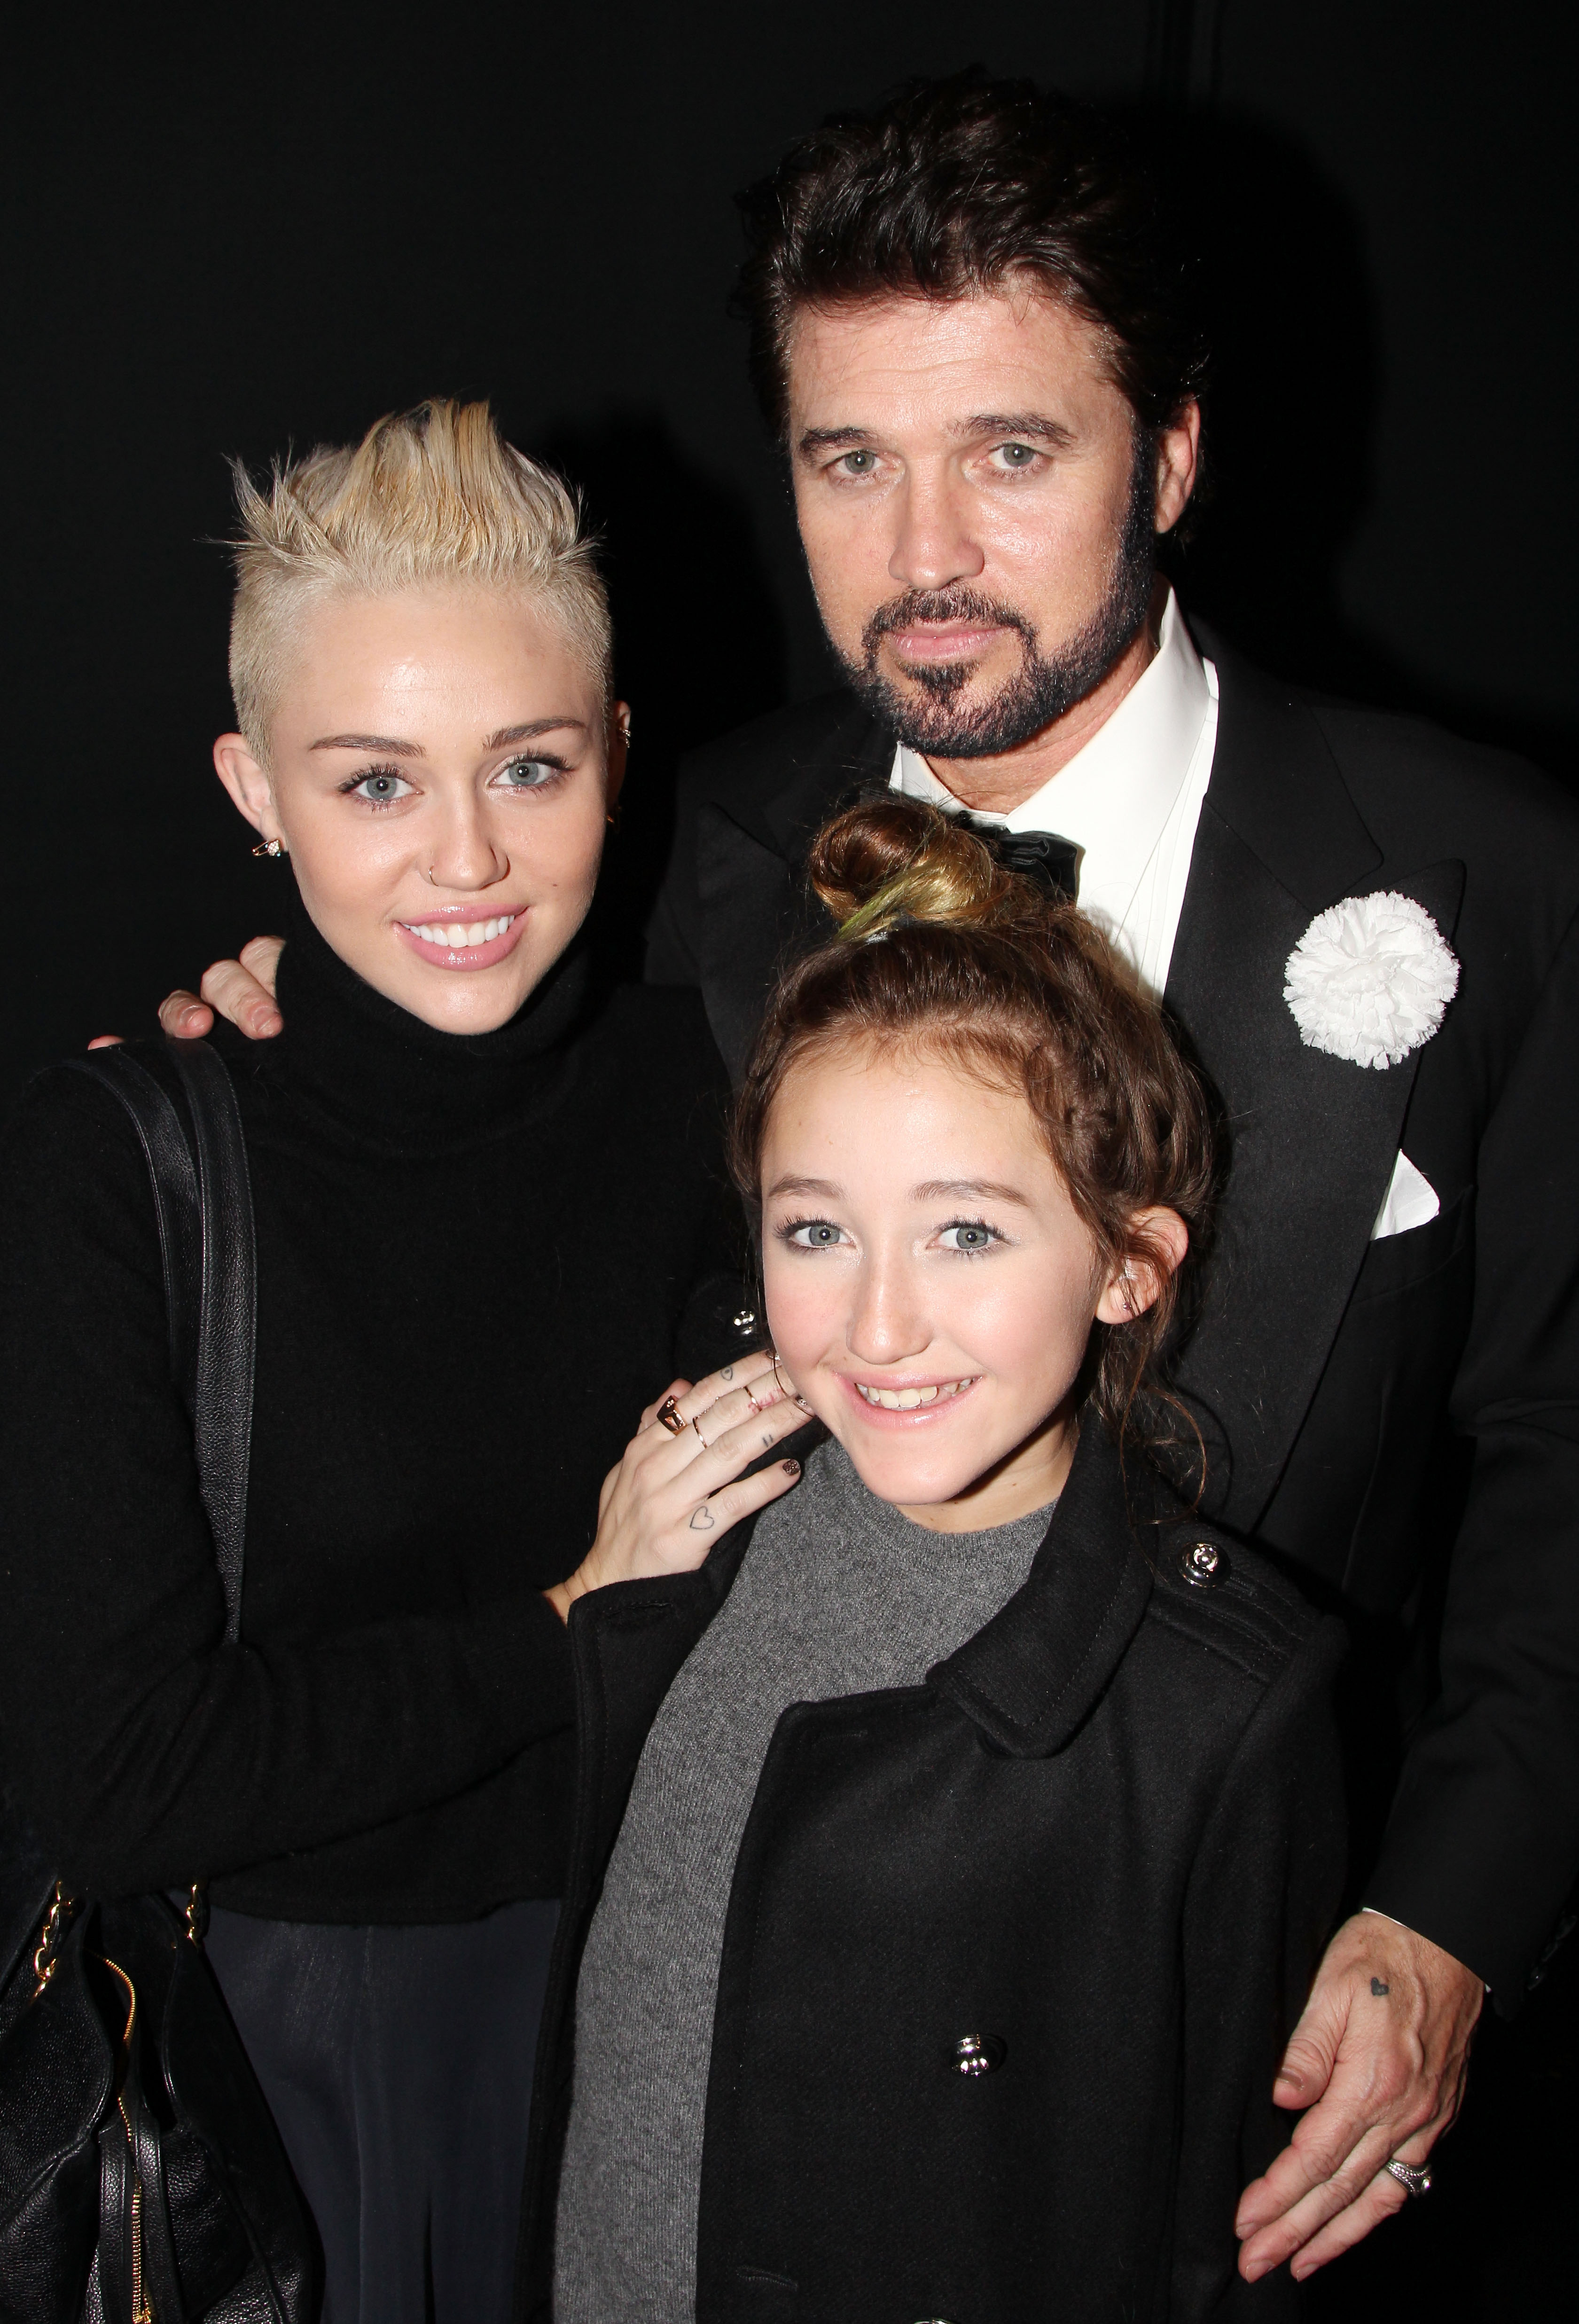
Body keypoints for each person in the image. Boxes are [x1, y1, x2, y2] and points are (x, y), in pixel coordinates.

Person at [151, 75, 1579, 2284]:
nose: (926, 553)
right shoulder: (688, 845)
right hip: (746, 1964)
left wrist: (1454, 1913)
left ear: (1169, 454)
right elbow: (449, 1023)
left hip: (1250, 1995)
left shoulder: (1492, 874)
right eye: (851, 461)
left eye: (1011, 453)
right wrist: (261, 1022)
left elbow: (1562, 1453)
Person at [0, 399, 806, 2324]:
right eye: (373, 784)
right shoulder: (125, 1161)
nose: (466, 857)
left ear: (618, 754)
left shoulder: (722, 1095)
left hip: (686, 1980)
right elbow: (122, 1779)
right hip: (305, 2055)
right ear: (254, 788)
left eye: (529, 767)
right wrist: (571, 1614)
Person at [520, 796, 1346, 2321]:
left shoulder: (1217, 1711)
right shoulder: (704, 1527)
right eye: (817, 1231)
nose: (879, 1326)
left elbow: (1224, 2252)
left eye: (966, 1233)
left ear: (1126, 1264)